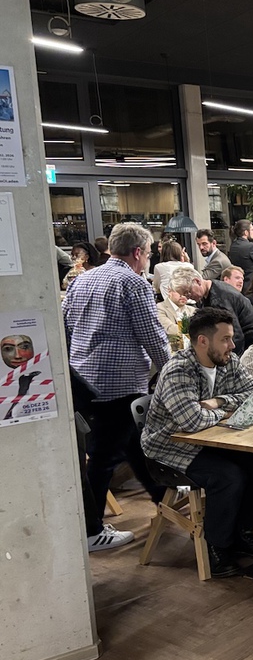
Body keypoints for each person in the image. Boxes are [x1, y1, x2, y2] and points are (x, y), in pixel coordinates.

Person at [62, 222, 171, 551]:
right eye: (148, 253)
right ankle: (91, 530)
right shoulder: (133, 283)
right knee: (104, 457)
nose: (147, 259)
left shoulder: (82, 279)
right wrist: (171, 371)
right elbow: (152, 335)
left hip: (84, 381)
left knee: (136, 445)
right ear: (138, 252)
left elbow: (64, 327)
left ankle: (164, 500)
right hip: (118, 385)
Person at [140, 308, 253, 577]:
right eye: (225, 339)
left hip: (212, 441)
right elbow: (192, 421)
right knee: (228, 476)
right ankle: (217, 548)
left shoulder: (228, 360)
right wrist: (228, 411)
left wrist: (219, 401)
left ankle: (242, 529)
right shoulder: (178, 370)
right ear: (202, 341)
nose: (232, 345)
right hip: (168, 449)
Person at [170, 265, 253, 356]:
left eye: (188, 292)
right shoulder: (212, 289)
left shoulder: (220, 299)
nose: (188, 297)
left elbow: (234, 337)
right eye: (185, 295)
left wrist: (229, 360)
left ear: (197, 281)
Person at [227, 220, 253, 292]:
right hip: (250, 284)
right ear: (246, 232)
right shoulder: (250, 246)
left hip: (238, 283)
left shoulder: (233, 246)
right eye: (252, 230)